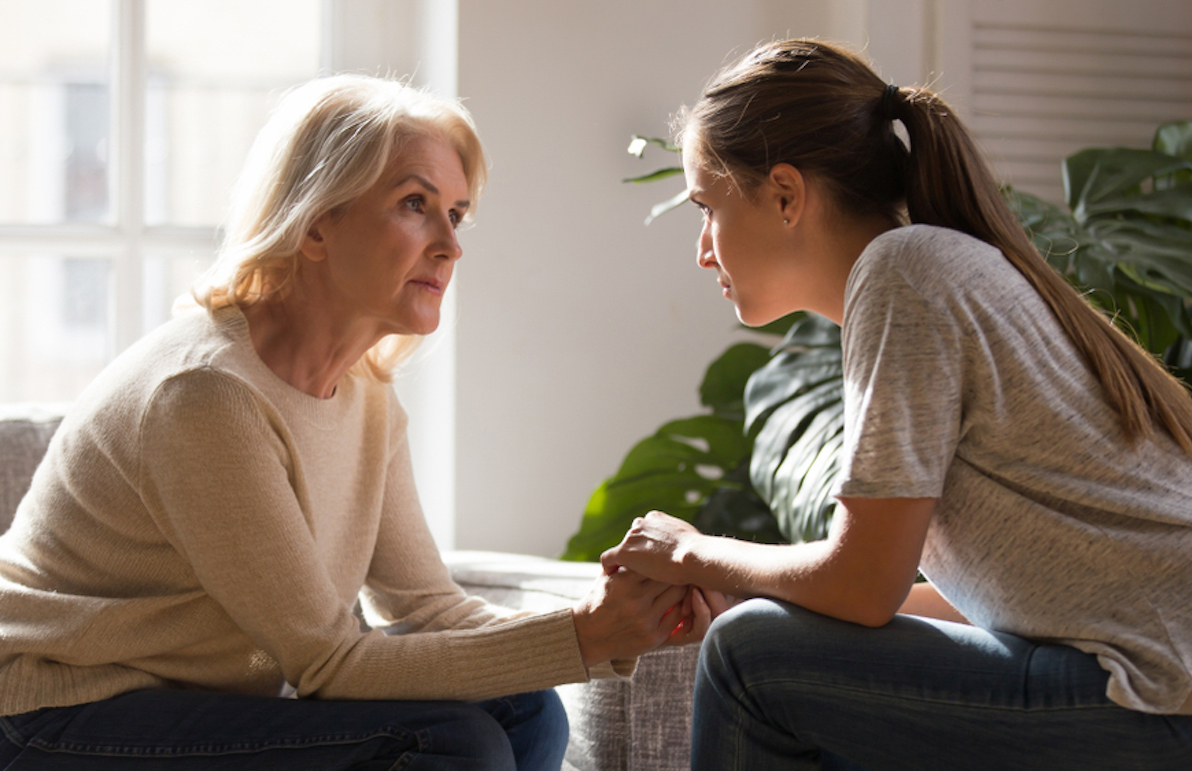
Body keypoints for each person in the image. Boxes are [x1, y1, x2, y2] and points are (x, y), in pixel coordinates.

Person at [0, 75, 714, 771]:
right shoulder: (206, 395)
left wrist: (607, 619)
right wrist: (584, 636)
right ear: (315, 224)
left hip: (185, 702)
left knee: (523, 708)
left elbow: (427, 607)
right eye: (415, 203)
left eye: (457, 215)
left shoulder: (367, 396)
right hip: (51, 712)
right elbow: (328, 662)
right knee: (452, 743)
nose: (450, 244)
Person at [600, 39, 1192, 770]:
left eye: (707, 208)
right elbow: (986, 601)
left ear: (786, 195)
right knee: (757, 632)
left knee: (747, 658)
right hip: (1158, 685)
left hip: (1162, 698)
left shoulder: (903, 274)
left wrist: (695, 551)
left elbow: (863, 585)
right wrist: (748, 589)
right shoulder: (934, 269)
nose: (702, 250)